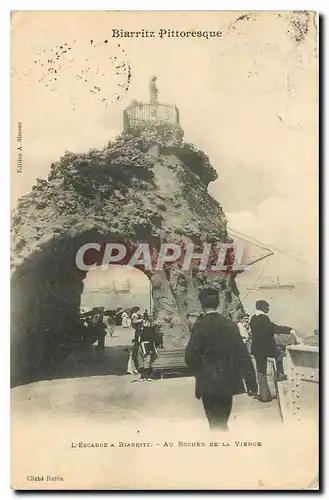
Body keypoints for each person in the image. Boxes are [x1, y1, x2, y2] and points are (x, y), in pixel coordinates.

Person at [185, 288, 258, 431]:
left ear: (202, 304)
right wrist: (252, 383)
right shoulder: (230, 325)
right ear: (218, 303)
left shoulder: (199, 326)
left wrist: (199, 372)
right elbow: (243, 355)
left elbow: (190, 356)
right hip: (228, 381)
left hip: (208, 382)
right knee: (223, 420)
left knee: (213, 422)